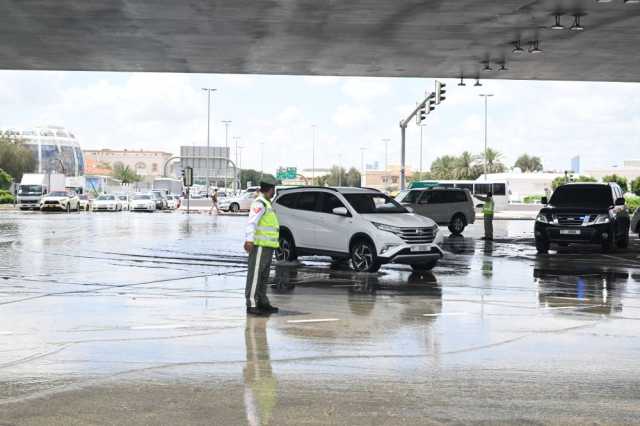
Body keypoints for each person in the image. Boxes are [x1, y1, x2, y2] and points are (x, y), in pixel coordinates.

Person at [244, 177, 280, 316]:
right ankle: (252, 304)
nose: (274, 192)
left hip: (267, 246)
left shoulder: (266, 203)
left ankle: (262, 301)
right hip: (259, 246)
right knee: (255, 275)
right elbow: (252, 222)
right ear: (271, 189)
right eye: (273, 189)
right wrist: (249, 240)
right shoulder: (259, 203)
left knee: (263, 277)